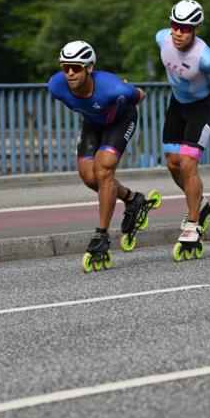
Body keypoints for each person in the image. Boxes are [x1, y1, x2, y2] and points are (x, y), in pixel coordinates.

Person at [47, 40, 150, 267]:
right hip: (93, 123)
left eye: (76, 67)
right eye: (65, 67)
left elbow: (141, 95)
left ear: (89, 68)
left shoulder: (113, 88)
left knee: (103, 171)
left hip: (120, 120)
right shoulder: (56, 86)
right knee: (89, 177)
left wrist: (130, 91)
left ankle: (101, 234)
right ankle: (133, 199)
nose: (70, 73)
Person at [156, 0, 210, 252]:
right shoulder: (161, 38)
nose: (177, 31)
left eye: (185, 28)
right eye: (175, 25)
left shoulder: (207, 59)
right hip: (177, 105)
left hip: (201, 107)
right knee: (172, 163)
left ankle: (194, 223)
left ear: (195, 29)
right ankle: (200, 202)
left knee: (187, 163)